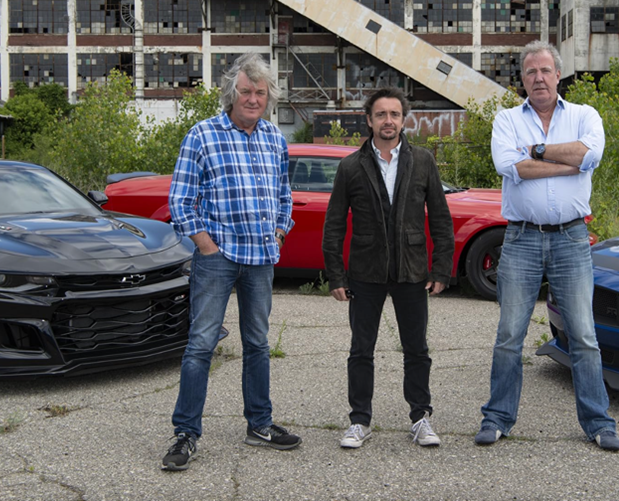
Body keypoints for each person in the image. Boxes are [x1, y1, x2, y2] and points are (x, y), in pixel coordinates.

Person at [475, 40, 619, 452]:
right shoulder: (506, 119)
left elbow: (590, 156)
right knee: (509, 334)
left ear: (558, 75)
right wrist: (567, 160)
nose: (538, 78)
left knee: (584, 335)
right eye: (530, 72)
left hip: (572, 240)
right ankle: (497, 417)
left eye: (545, 70)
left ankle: (598, 422)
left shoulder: (584, 115)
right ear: (522, 80)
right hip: (520, 239)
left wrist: (536, 151)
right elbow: (509, 166)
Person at [161, 53, 300, 471]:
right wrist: (206, 246)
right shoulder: (202, 136)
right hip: (217, 259)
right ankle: (186, 432)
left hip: (261, 259)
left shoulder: (275, 139)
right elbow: (180, 201)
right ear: (231, 93)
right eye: (246, 91)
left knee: (258, 344)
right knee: (201, 344)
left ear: (268, 97)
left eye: (261, 92)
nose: (253, 99)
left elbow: (283, 196)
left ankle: (259, 424)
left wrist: (279, 231)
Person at [323, 87, 455, 449]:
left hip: (412, 271)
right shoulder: (351, 166)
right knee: (361, 349)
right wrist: (336, 274)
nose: (388, 121)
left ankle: (420, 418)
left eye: (394, 114)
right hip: (365, 271)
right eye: (380, 114)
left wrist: (441, 269)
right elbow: (334, 224)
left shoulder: (423, 161)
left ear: (403, 119)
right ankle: (359, 421)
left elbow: (441, 220)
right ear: (368, 120)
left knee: (417, 349)